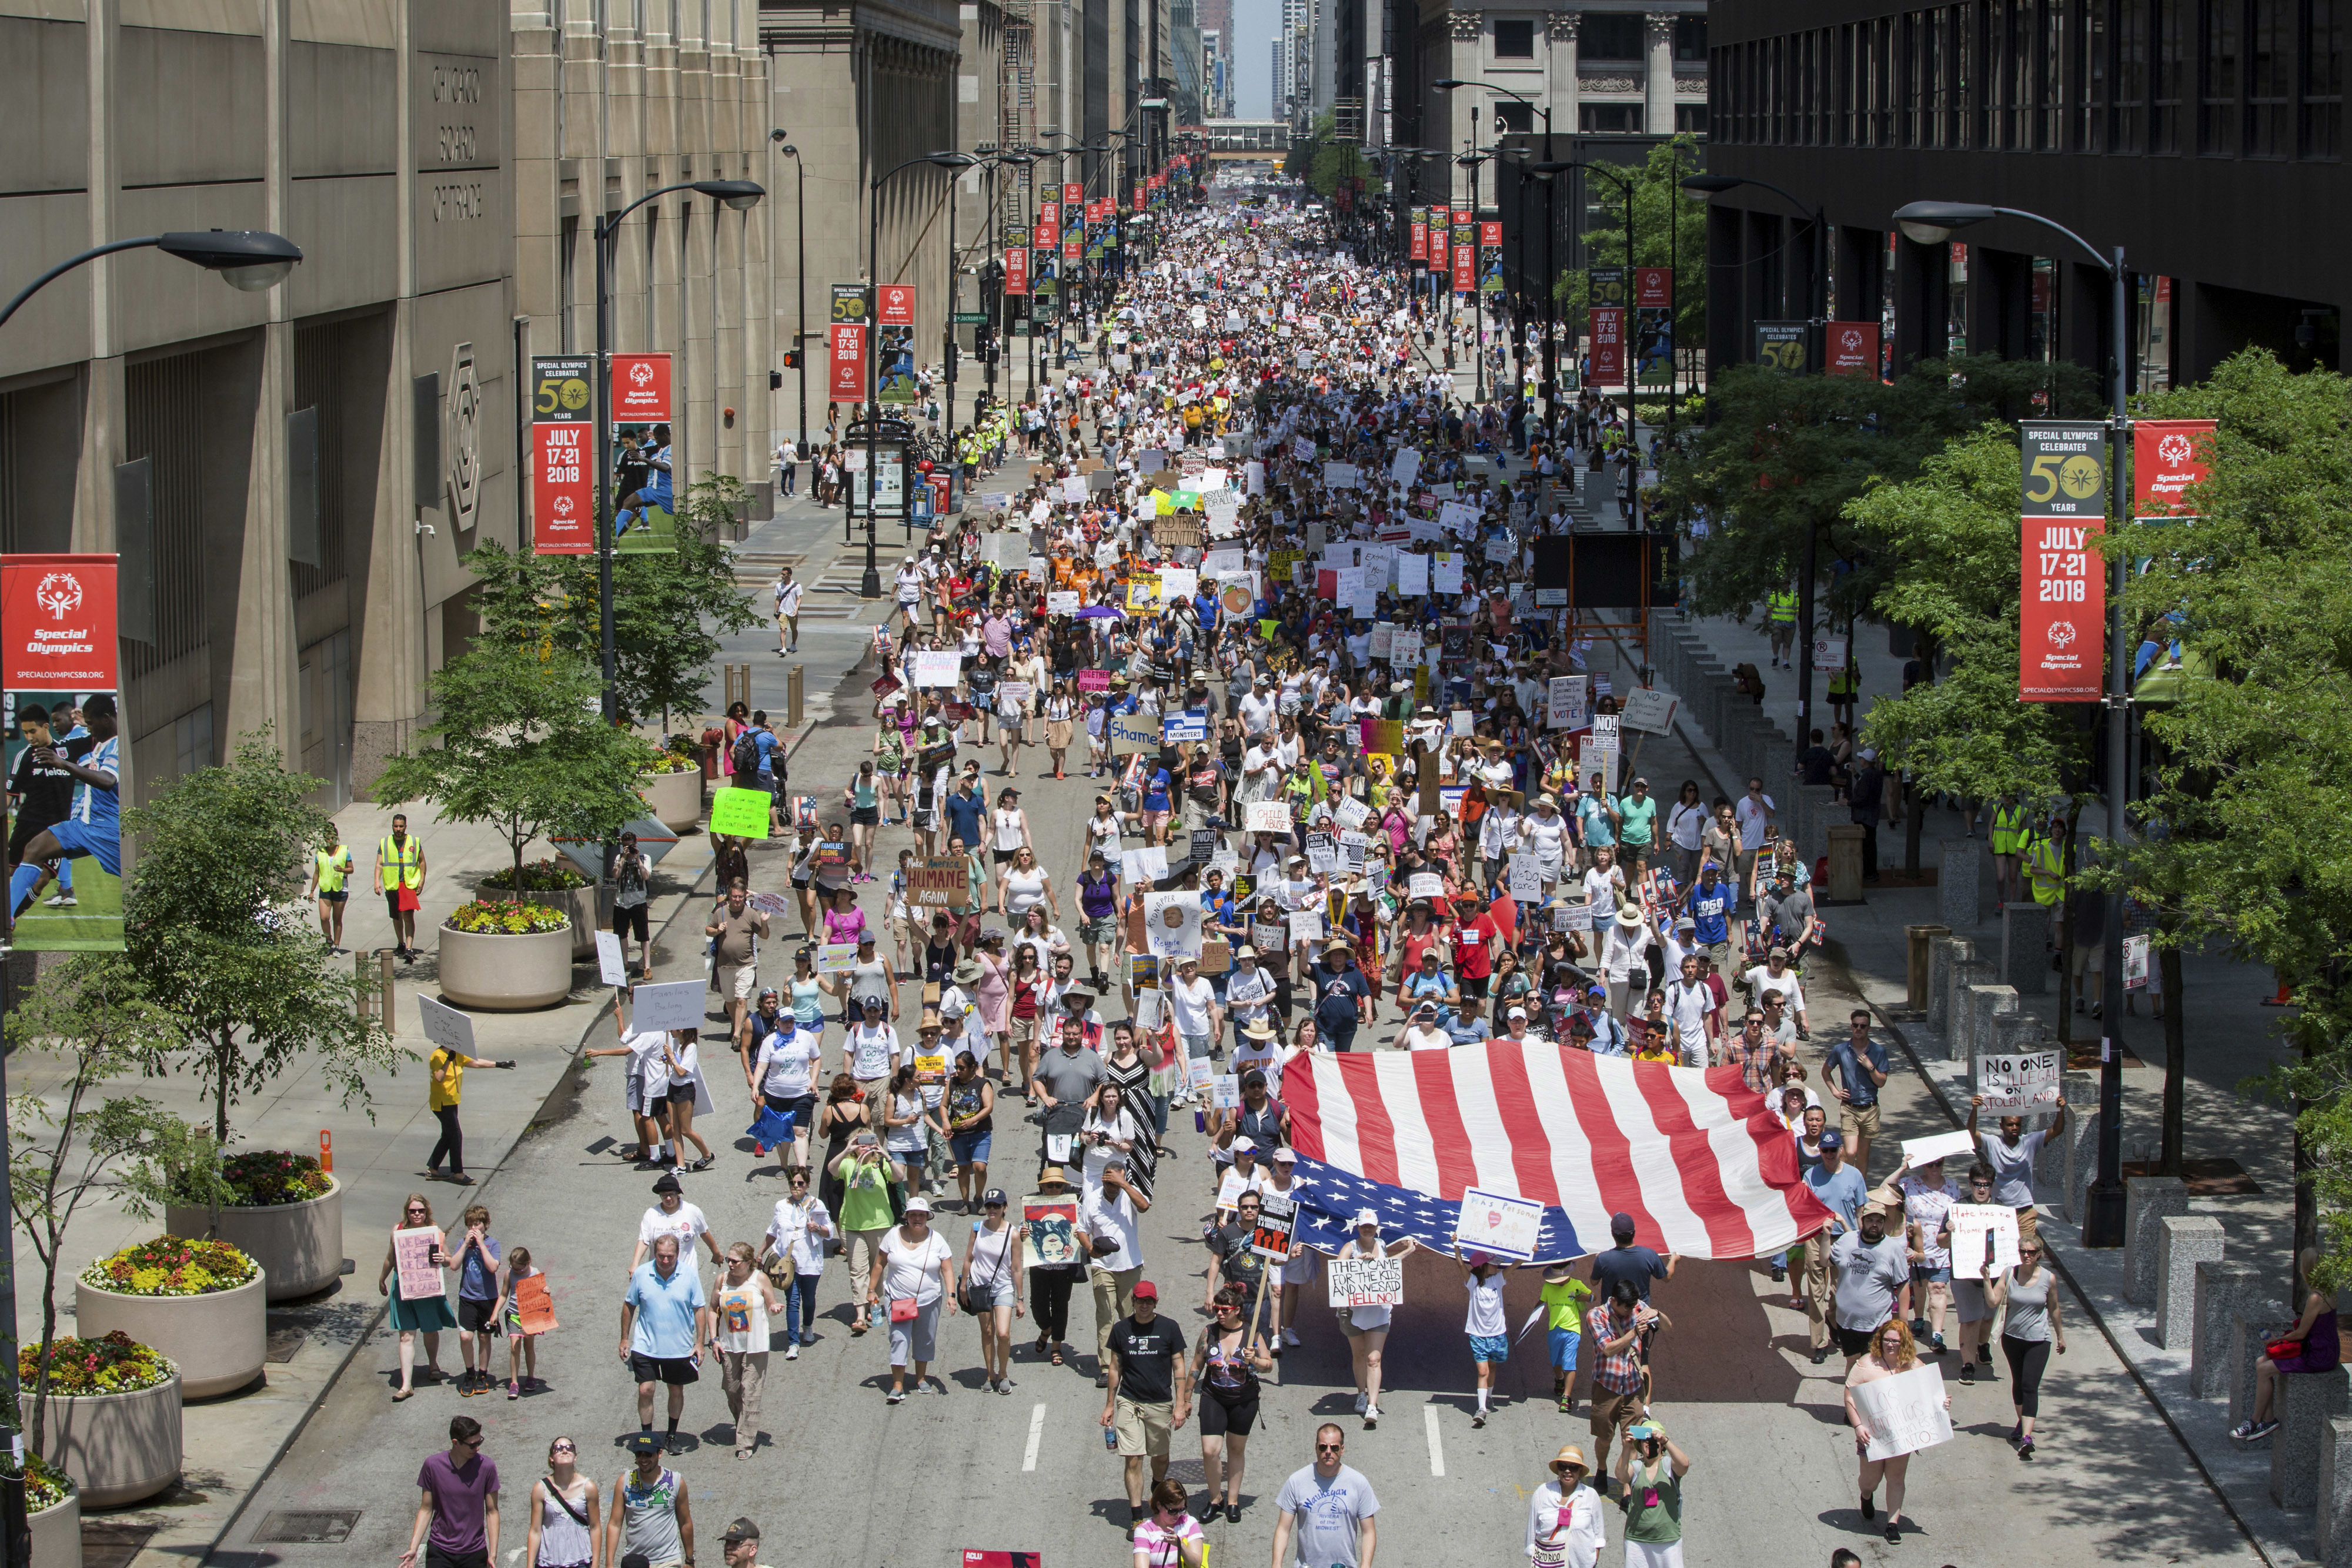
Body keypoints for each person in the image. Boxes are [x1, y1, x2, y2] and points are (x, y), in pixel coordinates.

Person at [1845, 1319, 1948, 1544]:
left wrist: (1942, 1403)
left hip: (1902, 1435)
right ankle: (1866, 1495)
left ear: (1905, 1343)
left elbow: (1931, 1396)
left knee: (1896, 1478)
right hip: (1872, 1435)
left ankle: (1893, 1524)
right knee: (1870, 1480)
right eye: (1886, 1340)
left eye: (1895, 1341)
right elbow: (1850, 1395)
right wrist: (1858, 1426)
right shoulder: (1866, 1364)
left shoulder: (1915, 1366)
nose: (1890, 1344)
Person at [1102, 1278, 1191, 1537]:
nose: (1144, 1306)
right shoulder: (1121, 1330)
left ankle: (1156, 1485)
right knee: (1133, 1458)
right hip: (1129, 1401)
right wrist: (1110, 1405)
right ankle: (1137, 1518)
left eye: (1149, 1302)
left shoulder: (1169, 1328)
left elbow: (1179, 1367)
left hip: (1160, 1403)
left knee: (1160, 1457)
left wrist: (1181, 1404)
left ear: (1156, 1303)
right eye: (1140, 1301)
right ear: (1133, 1301)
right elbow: (1115, 1368)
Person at [2233, 1246, 2336, 1443]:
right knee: (2261, 1362)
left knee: (2263, 1369)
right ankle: (2268, 1419)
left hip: (2317, 1355)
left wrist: (2276, 1339)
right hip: (2325, 1349)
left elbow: (2301, 1333)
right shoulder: (2329, 1289)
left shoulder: (2315, 1297)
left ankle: (2255, 1421)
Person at [619, 1234, 711, 1452]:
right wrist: (625, 1338)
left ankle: (671, 1436)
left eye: (670, 1256)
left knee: (676, 1390)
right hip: (646, 1345)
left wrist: (699, 1342)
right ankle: (647, 1437)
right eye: (661, 1256)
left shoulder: (689, 1275)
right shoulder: (642, 1274)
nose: (666, 1261)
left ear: (678, 1254)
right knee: (646, 1390)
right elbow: (629, 1305)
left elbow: (699, 1309)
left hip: (679, 1347)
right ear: (655, 1253)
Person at [1193, 1283, 1274, 1523]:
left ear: (1237, 1310)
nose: (1219, 1313)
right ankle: (1215, 1498)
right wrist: (1185, 1398)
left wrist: (1255, 1361)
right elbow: (1197, 1365)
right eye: (1217, 1309)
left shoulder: (1252, 1333)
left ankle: (1233, 1501)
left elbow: (1269, 1365)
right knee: (1210, 1451)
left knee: (1236, 1450)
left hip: (1243, 1400)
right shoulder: (1209, 1332)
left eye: (1224, 1309)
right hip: (1213, 1397)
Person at [870, 1192, 958, 1402]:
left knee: (925, 1339)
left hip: (929, 1300)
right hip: (898, 1299)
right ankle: (898, 1385)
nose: (917, 1219)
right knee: (899, 1339)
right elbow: (879, 1264)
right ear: (906, 1217)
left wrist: (951, 1295)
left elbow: (947, 1269)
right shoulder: (893, 1235)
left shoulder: (937, 1240)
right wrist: (871, 1290)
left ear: (928, 1217)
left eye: (921, 1215)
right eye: (913, 1215)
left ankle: (920, 1378)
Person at [1797, 1129, 1868, 1365]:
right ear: (1820, 1152)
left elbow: (1861, 1211)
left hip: (1846, 1240)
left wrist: (1862, 1241)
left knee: (1842, 1292)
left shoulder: (1855, 1175)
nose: (1828, 1154)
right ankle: (1818, 1343)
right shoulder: (1810, 1176)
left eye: (1832, 1150)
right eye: (1824, 1150)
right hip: (1817, 1238)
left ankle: (1833, 1318)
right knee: (1817, 1292)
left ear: (1840, 1150)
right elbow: (1804, 1210)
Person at [707, 1242, 783, 1459]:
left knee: (750, 1391)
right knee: (732, 1390)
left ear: (748, 1263)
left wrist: (774, 1308)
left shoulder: (759, 1279)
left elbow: (771, 1304)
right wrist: (714, 1340)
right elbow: (712, 1310)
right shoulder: (722, 1280)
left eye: (735, 1261)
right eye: (728, 1260)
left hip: (755, 1346)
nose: (730, 1264)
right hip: (729, 1345)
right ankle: (743, 1423)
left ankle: (745, 1442)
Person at [1967, 1092, 2068, 1251]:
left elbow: (2057, 1130)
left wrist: (2061, 1110)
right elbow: (1970, 1135)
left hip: (2024, 1211)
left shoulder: (2031, 1141)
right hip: (1998, 1209)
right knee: (1999, 1252)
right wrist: (1974, 1109)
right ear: (2002, 1126)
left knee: (2026, 1251)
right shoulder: (1992, 1143)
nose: (2014, 1128)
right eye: (2010, 1125)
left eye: (2017, 1124)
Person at [382, 1192, 459, 1399]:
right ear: (407, 1212)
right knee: (406, 1336)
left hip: (426, 1287)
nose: (417, 1214)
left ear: (427, 1212)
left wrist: (444, 1257)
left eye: (421, 1211)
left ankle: (433, 1364)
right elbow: (390, 1257)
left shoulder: (436, 1233)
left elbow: (449, 1261)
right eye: (413, 1211)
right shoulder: (398, 1231)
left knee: (430, 1329)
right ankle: (406, 1385)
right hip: (404, 1286)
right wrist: (382, 1279)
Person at [1269, 1423, 1379, 1568]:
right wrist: (1276, 1565)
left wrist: (1366, 1566)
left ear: (1342, 1449)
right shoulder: (1297, 1481)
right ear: (1316, 1447)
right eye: (1323, 1447)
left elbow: (1369, 1532)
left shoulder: (1359, 1483)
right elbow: (1283, 1529)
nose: (1328, 1452)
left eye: (1334, 1448)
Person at [1081, 1156, 1151, 1385]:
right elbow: (1082, 1229)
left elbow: (1144, 1206)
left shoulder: (1130, 1195)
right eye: (1108, 1183)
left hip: (1130, 1265)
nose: (1111, 1188)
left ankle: (1132, 1362)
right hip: (1103, 1267)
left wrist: (1123, 1184)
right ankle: (1106, 1367)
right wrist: (1090, 1249)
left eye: (1115, 1183)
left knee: (1130, 1316)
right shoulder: (1092, 1199)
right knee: (1105, 1315)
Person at [1583, 1280, 1659, 1485]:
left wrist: (1655, 1312)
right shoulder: (1596, 1315)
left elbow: (1668, 1326)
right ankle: (1602, 1468)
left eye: (1632, 1307)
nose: (1629, 1311)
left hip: (1634, 1387)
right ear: (1614, 1300)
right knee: (1604, 1438)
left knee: (1632, 1439)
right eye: (1625, 1307)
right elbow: (1608, 1350)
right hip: (1607, 1386)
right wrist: (1634, 1333)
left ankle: (1628, 1487)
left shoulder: (1637, 1308)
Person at [402, 1416, 500, 1568]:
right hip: (440, 1551)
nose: (477, 1448)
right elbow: (426, 1509)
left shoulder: (486, 1467)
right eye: (472, 1445)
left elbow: (492, 1512)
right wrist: (413, 1548)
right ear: (456, 1443)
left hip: (474, 1552)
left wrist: (493, 1554)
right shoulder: (433, 1466)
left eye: (479, 1442)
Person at [1829, 1201, 1911, 1371]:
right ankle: (1851, 1398)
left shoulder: (1893, 1249)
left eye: (1879, 1221)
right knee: (1853, 1366)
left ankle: (1873, 1398)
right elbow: (1825, 1261)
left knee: (1874, 1367)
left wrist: (1903, 1322)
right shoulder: (1847, 1241)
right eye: (1870, 1220)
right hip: (1847, 1321)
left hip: (1878, 1322)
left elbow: (1903, 1286)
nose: (1875, 1224)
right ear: (1862, 1221)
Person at [426, 1032, 514, 1188]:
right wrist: (448, 1061)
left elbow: (475, 1063)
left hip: (452, 1102)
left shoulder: (455, 1054)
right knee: (456, 1135)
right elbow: (439, 1077)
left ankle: (433, 1169)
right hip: (442, 1103)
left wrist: (499, 1064)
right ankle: (458, 1174)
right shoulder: (438, 1056)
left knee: (448, 1135)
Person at [759, 1165, 831, 1358]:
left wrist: (817, 1228)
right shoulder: (781, 1206)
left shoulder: (817, 1204)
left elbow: (830, 1232)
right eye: (793, 1183)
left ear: (807, 1185)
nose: (796, 1186)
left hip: (810, 1261)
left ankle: (807, 1326)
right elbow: (773, 1232)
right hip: (788, 1263)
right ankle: (793, 1342)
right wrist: (760, 1253)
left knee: (808, 1299)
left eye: (800, 1183)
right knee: (792, 1301)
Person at [964, 1186, 1025, 1393]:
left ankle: (1004, 1373)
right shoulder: (976, 1228)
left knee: (1003, 1333)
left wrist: (1020, 1298)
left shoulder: (1012, 1233)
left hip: (1003, 1287)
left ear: (1005, 1208)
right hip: (981, 1287)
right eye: (989, 1206)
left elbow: (1016, 1268)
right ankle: (990, 1374)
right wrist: (964, 1285)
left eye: (996, 1206)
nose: (992, 1210)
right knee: (987, 1331)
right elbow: (969, 1258)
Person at [606, 1432, 693, 1568]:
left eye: (648, 1454)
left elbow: (685, 1522)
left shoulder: (675, 1482)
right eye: (639, 1454)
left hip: (668, 1560)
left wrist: (690, 1559)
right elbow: (615, 1524)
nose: (643, 1459)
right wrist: (609, 1563)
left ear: (659, 1454)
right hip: (635, 1561)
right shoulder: (625, 1482)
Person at [1612, 1420, 1691, 1568]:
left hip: (1667, 1540)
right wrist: (1626, 1448)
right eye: (1645, 1441)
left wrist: (1665, 1440)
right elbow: (1621, 1476)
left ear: (1661, 1445)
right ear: (1640, 1445)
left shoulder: (1668, 1466)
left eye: (1654, 1441)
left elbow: (1684, 1464)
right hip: (1637, 1540)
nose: (1649, 1444)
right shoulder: (1636, 1467)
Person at [1452, 1242, 1515, 1427]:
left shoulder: (1498, 1280)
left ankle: (1489, 1396)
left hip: (1497, 1334)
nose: (1497, 1266)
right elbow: (1459, 1262)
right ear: (1483, 1266)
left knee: (1493, 1367)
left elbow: (1516, 1265)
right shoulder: (1472, 1282)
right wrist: (1456, 1244)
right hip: (1477, 1334)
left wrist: (1530, 1251)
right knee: (1483, 1371)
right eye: (1493, 1263)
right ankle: (1481, 1409)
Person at [1823, 1011, 1889, 1183]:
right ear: (1851, 1026)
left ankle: (1859, 1189)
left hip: (1871, 1109)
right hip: (1849, 1108)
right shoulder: (1841, 1050)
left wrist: (1871, 1067)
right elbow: (1826, 1072)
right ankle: (1842, 1184)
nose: (1858, 1029)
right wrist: (1835, 1091)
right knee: (1850, 1152)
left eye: (1863, 1026)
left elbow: (1881, 1082)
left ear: (1869, 1028)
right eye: (1855, 1025)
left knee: (1863, 1154)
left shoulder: (1878, 1051)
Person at [449, 1203, 503, 1394]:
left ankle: (482, 1374)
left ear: (486, 1224)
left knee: (484, 1337)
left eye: (478, 1224)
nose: (474, 1228)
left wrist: (481, 1244)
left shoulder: (493, 1244)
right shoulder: (463, 1243)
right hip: (467, 1297)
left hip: (488, 1299)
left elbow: (492, 1267)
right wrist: (465, 1244)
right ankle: (469, 1372)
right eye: (471, 1225)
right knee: (466, 1336)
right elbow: (454, 1266)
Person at [1525, 1443, 1606, 1568]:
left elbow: (1598, 1534)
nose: (1567, 1471)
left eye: (1573, 1467)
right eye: (1563, 1467)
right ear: (1558, 1469)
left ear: (1580, 1471)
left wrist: (1593, 1559)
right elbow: (1531, 1532)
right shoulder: (1543, 1492)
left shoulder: (1590, 1495)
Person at [522, 1436, 598, 1568]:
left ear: (575, 1456)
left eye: (570, 1448)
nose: (564, 1451)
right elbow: (535, 1530)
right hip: (549, 1561)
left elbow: (595, 1527)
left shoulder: (589, 1487)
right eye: (558, 1449)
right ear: (551, 1458)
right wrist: (529, 1566)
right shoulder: (540, 1489)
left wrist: (596, 1564)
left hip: (581, 1561)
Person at [633, 1172, 723, 1273]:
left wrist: (716, 1253)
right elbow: (644, 1240)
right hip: (659, 1273)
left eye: (671, 1194)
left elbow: (704, 1233)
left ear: (677, 1194)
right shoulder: (651, 1214)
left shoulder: (692, 1211)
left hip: (686, 1273)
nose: (668, 1198)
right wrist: (635, 1264)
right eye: (664, 1195)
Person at [1541, 1260, 1595, 1414]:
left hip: (1573, 1330)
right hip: (1554, 1330)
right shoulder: (1547, 1286)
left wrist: (1584, 1298)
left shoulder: (1577, 1284)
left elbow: (1593, 1297)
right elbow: (1541, 1302)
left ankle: (1566, 1397)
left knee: (1569, 1364)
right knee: (1555, 1362)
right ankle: (1559, 1379)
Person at [375, 810, 427, 962]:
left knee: (408, 916)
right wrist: (376, 882)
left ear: (406, 827)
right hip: (392, 884)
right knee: (396, 917)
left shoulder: (414, 842)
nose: (398, 829)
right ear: (392, 826)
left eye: (401, 826)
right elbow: (379, 864)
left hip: (408, 884)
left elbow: (422, 861)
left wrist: (422, 880)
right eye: (396, 826)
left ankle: (410, 949)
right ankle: (401, 943)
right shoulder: (385, 843)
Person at [1591, 1212, 1675, 1305]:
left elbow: (1594, 1282)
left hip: (1613, 1315)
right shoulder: (1649, 1255)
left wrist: (1598, 1262)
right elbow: (1667, 1277)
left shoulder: (1603, 1259)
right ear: (1634, 1232)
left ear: (1612, 1233)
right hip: (1640, 1314)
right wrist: (1673, 1260)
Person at [1131, 1476, 1206, 1568]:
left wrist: (1181, 1545)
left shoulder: (1190, 1523)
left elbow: (1196, 1564)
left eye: (1182, 1509)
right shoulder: (1144, 1531)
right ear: (1159, 1505)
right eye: (1173, 1511)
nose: (1178, 1515)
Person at [612, 832, 655, 975]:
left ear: (636, 844)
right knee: (621, 934)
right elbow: (615, 875)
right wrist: (624, 858)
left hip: (639, 902)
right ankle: (625, 962)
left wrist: (637, 859)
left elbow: (646, 876)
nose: (628, 848)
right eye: (625, 846)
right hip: (621, 903)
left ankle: (647, 967)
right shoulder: (619, 858)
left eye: (630, 845)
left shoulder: (645, 858)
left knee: (644, 935)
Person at [308, 831, 354, 951]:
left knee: (337, 919)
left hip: (340, 889)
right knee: (324, 918)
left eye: (333, 837)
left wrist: (343, 869)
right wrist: (312, 891)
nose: (330, 840)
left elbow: (351, 869)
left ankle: (337, 946)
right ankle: (329, 939)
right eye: (327, 838)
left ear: (337, 837)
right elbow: (316, 873)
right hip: (325, 889)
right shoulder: (320, 852)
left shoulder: (344, 851)